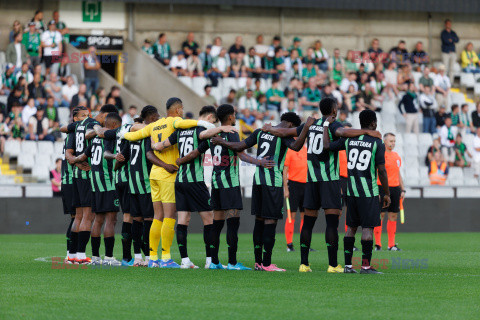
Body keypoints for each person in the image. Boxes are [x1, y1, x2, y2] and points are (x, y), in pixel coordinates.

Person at [262, 97, 382, 273]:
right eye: (337, 108)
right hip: (329, 182)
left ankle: (304, 264)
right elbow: (344, 133)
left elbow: (285, 133)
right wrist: (369, 132)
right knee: (331, 224)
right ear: (333, 111)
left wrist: (270, 128)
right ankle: (333, 265)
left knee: (308, 223)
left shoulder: (308, 124)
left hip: (311, 181)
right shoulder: (333, 125)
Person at [212, 112, 312, 271]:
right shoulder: (282, 136)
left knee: (259, 221)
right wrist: (306, 127)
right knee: (270, 221)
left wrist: (221, 142)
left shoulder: (260, 132)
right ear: (291, 126)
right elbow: (296, 146)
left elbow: (239, 147)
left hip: (257, 181)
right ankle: (267, 263)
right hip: (273, 182)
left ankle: (258, 262)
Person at [120, 98, 206, 268]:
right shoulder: (176, 121)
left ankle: (153, 258)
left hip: (154, 175)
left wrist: (123, 133)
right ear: (178, 110)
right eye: (182, 109)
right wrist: (206, 124)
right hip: (168, 174)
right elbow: (193, 123)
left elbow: (132, 135)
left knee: (157, 217)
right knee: (169, 216)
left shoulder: (153, 126)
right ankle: (166, 258)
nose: (182, 112)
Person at [331, 109, 390, 274]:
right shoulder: (377, 143)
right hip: (368, 192)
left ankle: (348, 266)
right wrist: (386, 193)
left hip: (351, 191)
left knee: (351, 228)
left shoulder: (350, 140)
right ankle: (365, 266)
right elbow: (382, 171)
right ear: (373, 123)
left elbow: (328, 146)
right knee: (367, 228)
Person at [64, 104, 119, 264]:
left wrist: (74, 161)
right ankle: (82, 255)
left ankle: (72, 255)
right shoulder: (94, 127)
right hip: (90, 176)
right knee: (89, 216)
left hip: (76, 174)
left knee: (79, 216)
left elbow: (70, 149)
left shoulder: (75, 128)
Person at [109, 107, 162, 266]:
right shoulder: (148, 134)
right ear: (152, 117)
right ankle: (149, 257)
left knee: (136, 220)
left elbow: (121, 159)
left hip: (132, 185)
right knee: (148, 220)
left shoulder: (132, 136)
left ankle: (137, 256)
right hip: (145, 184)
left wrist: (116, 165)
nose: (159, 119)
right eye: (157, 116)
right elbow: (149, 155)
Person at [62, 107, 89, 264]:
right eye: (83, 116)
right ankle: (70, 254)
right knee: (76, 217)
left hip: (75, 179)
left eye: (88, 115)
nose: (86, 118)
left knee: (77, 217)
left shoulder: (78, 133)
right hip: (71, 180)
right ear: (76, 119)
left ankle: (73, 254)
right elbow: (68, 155)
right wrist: (78, 164)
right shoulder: (73, 133)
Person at [373, 133, 405, 252]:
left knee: (393, 215)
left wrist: (402, 189)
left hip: (395, 188)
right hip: (381, 187)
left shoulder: (396, 156)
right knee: (380, 215)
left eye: (394, 141)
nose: (393, 143)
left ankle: (391, 245)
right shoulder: (379, 155)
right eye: (391, 141)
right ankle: (378, 244)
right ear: (384, 142)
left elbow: (398, 173)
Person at [283, 132, 307, 252]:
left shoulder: (307, 151)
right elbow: (285, 170)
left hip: (306, 186)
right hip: (293, 185)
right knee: (291, 215)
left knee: (305, 216)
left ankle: (304, 243)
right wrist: (286, 189)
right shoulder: (290, 151)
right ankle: (289, 244)